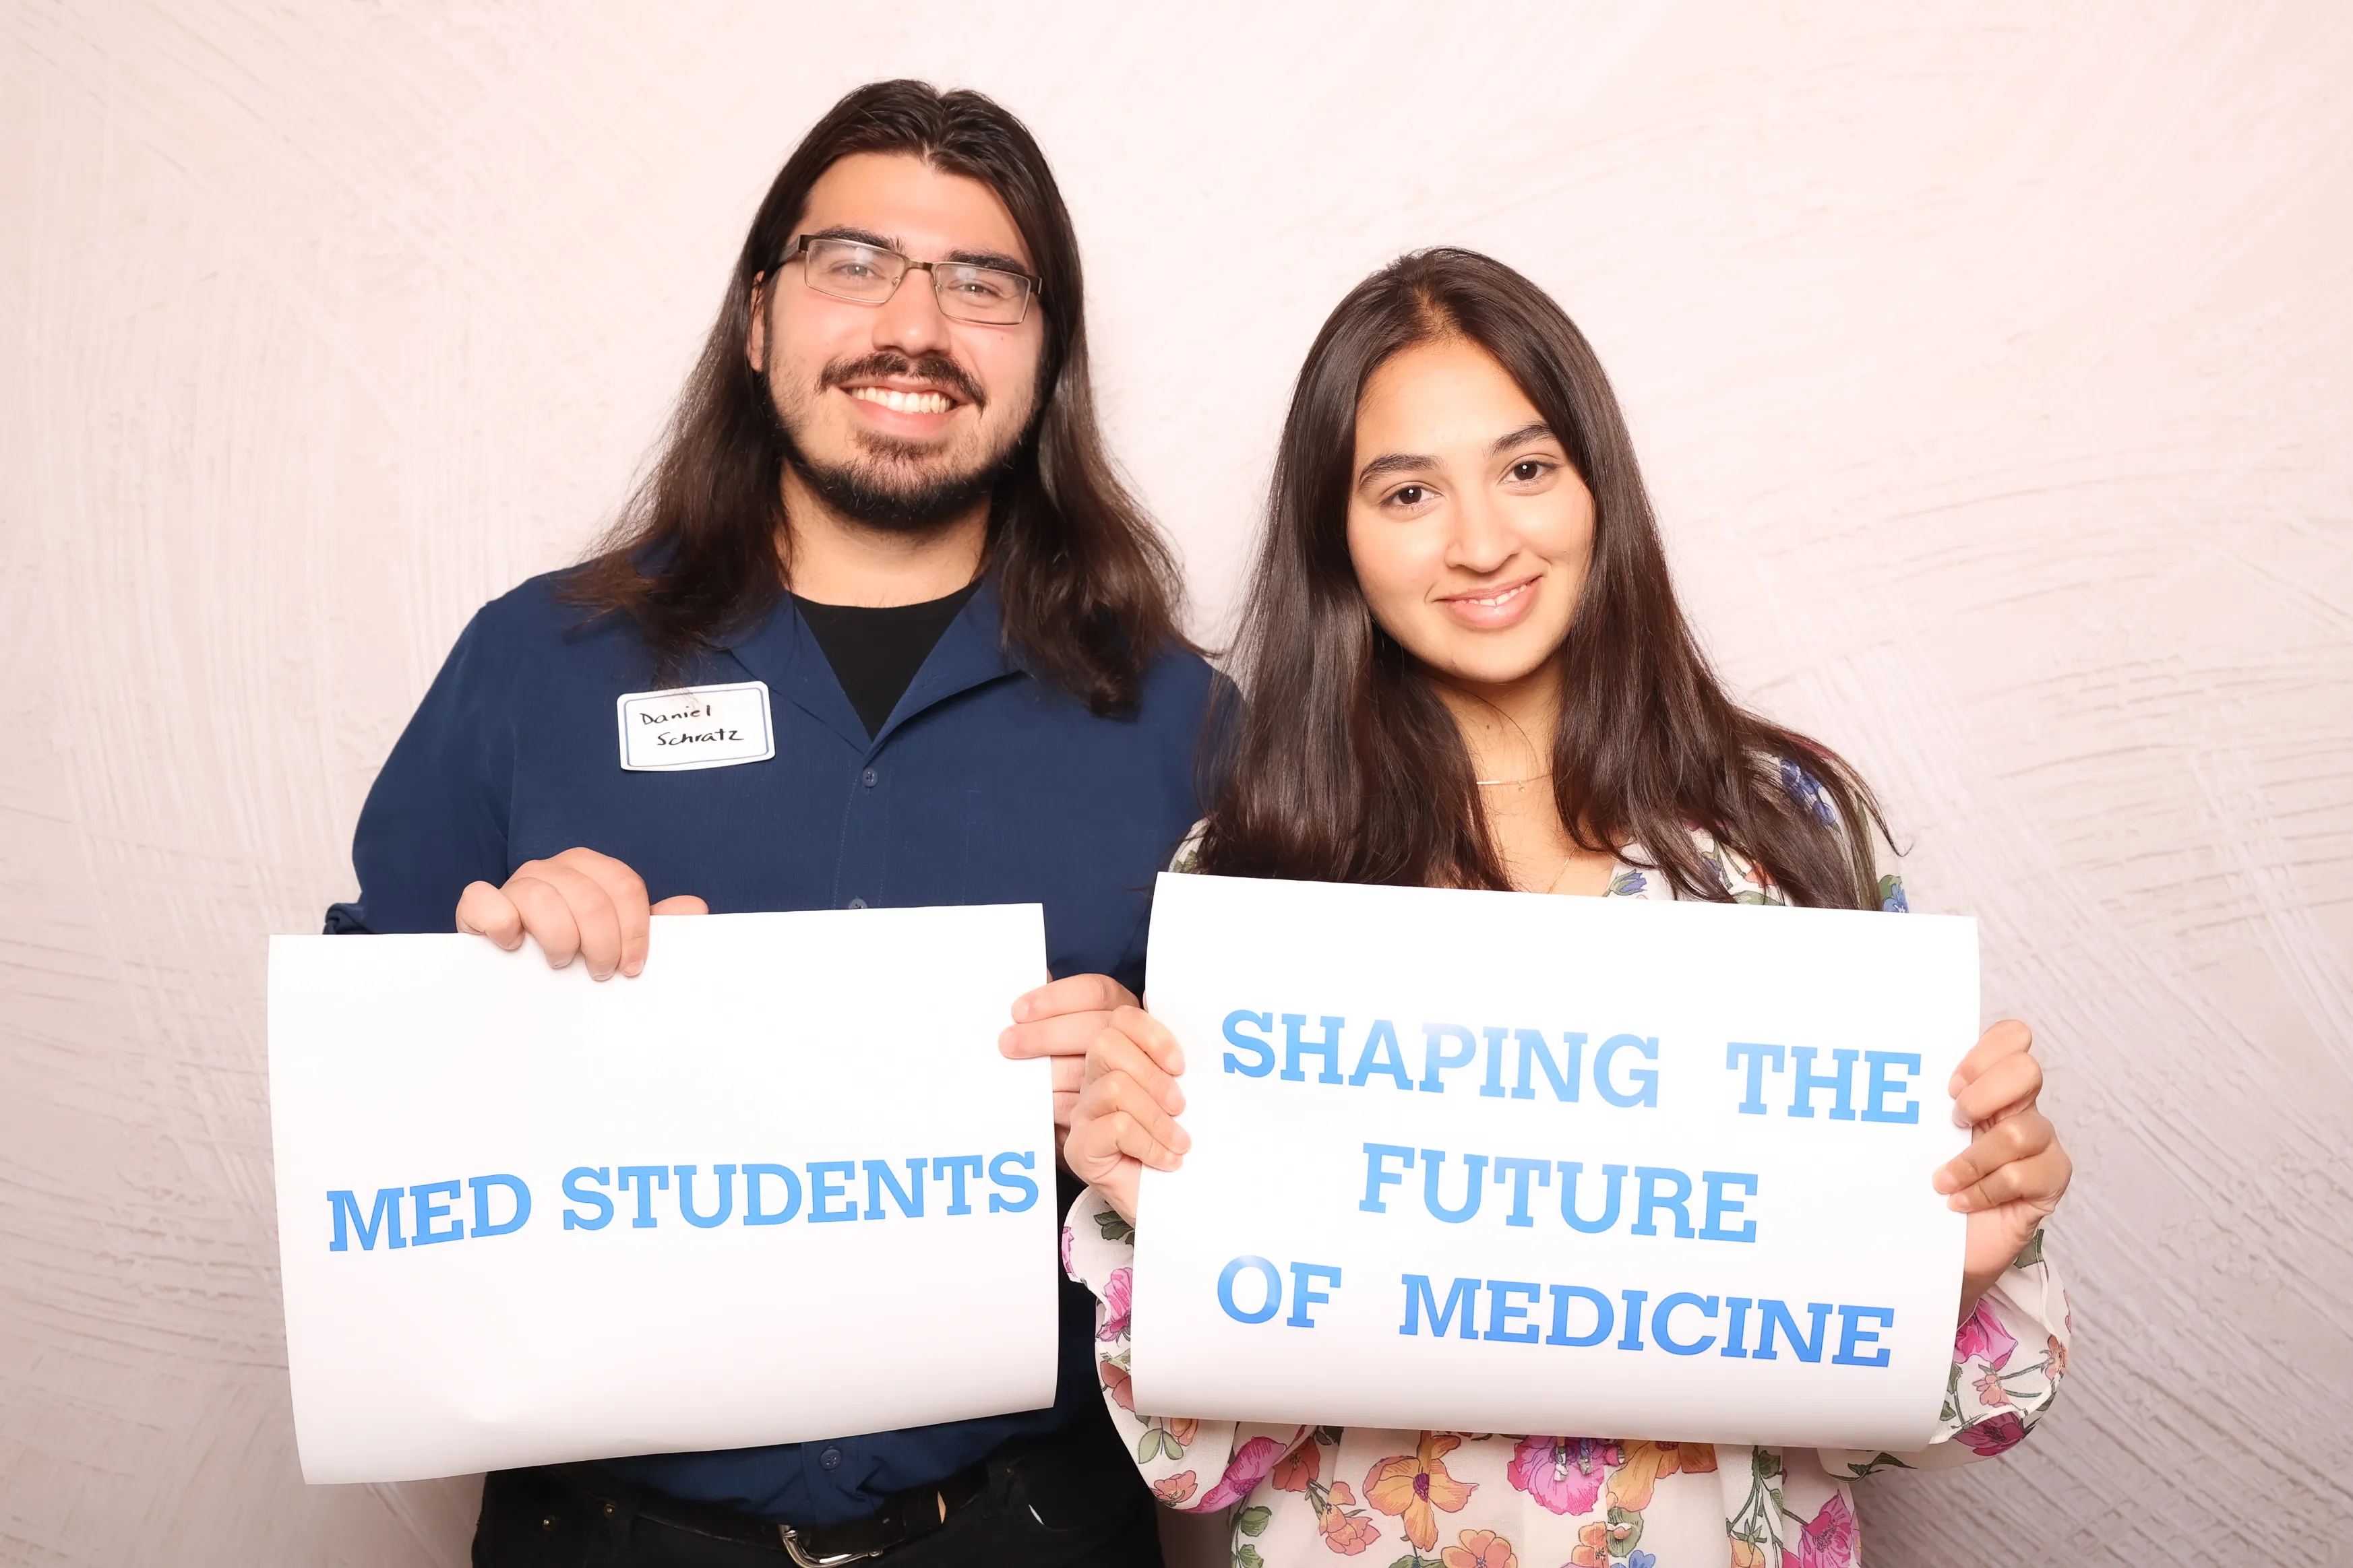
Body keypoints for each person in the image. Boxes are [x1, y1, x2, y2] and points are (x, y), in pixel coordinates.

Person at [1051, 249, 2073, 1567]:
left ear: (1598, 486)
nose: (1482, 541)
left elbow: (1944, 1413)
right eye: (1407, 491)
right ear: (1334, 537)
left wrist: (1954, 1257)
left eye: (1526, 468)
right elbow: (1197, 1454)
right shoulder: (1250, 882)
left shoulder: (1784, 834)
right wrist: (1148, 1199)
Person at [327, 80, 1209, 1567]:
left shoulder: (1185, 722)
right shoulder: (534, 664)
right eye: (853, 262)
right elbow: (353, 1113)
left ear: (1046, 351)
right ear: (757, 318)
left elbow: (1294, 1185)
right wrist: (493, 992)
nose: (913, 325)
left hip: (1031, 1531)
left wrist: (1156, 1100)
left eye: (980, 283)